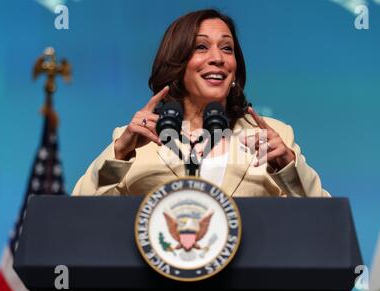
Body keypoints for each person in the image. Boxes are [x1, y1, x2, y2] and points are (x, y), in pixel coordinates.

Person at [72, 9, 330, 198]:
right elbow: (79, 215)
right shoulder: (136, 140)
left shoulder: (274, 135)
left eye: (227, 49)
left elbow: (322, 221)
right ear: (177, 62)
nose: (217, 58)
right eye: (201, 47)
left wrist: (287, 163)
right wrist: (120, 152)